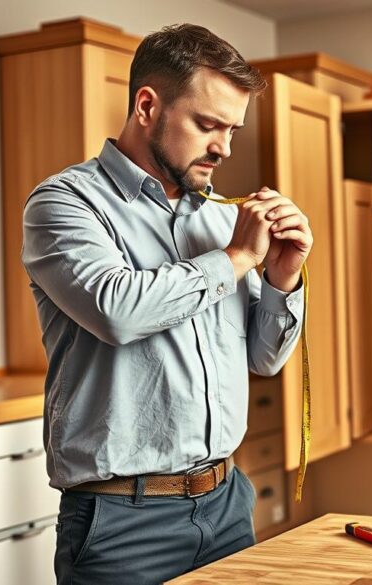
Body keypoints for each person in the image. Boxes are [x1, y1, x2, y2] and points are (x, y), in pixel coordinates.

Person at [21, 23, 311, 584]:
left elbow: (265, 359)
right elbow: (118, 311)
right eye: (208, 124)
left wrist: (282, 278)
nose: (224, 148)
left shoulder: (223, 218)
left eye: (232, 129)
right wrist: (234, 260)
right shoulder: (63, 203)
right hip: (119, 523)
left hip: (228, 503)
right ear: (147, 106)